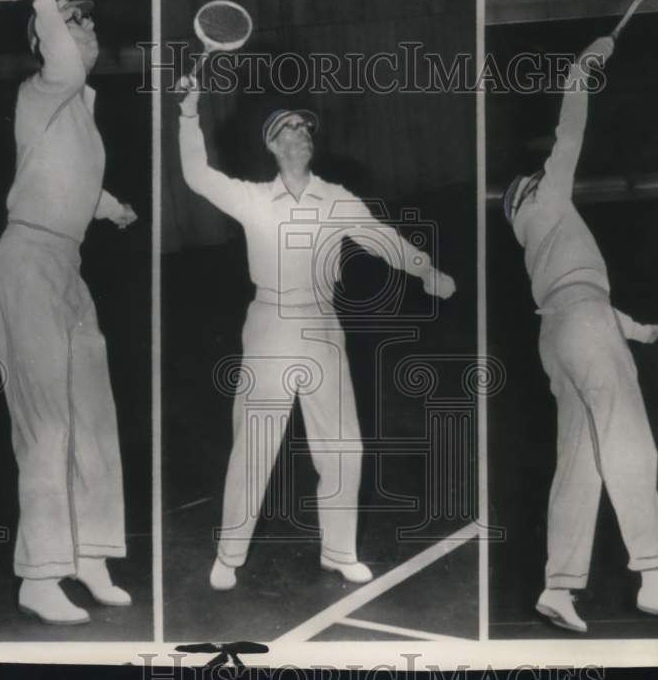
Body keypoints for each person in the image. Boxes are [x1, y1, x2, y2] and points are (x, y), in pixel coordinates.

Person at [177, 82, 457, 590]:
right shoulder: (254, 198)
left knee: (343, 446)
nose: (301, 134)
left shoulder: (336, 199)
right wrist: (188, 112)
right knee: (256, 442)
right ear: (272, 145)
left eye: (306, 128)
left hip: (323, 325)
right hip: (270, 324)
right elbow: (196, 175)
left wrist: (425, 270)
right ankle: (229, 554)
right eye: (289, 128)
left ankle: (339, 550)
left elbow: (383, 238)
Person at [503, 35, 658, 633]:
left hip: (561, 334)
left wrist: (637, 330)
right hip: (585, 324)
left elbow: (582, 302)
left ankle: (558, 587)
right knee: (632, 446)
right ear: (529, 196)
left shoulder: (540, 249)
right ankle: (652, 578)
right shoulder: (550, 204)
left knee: (582, 462)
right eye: (536, 181)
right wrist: (581, 71)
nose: (543, 180)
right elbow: (569, 138)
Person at [0, 0, 138, 625]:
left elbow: (64, 175)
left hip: (66, 264)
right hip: (25, 264)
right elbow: (68, 67)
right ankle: (39, 576)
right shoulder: (43, 89)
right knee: (45, 423)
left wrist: (107, 207)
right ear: (46, 42)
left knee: (92, 416)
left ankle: (89, 556)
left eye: (87, 20)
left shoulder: (78, 109)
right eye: (77, 23)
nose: (90, 29)